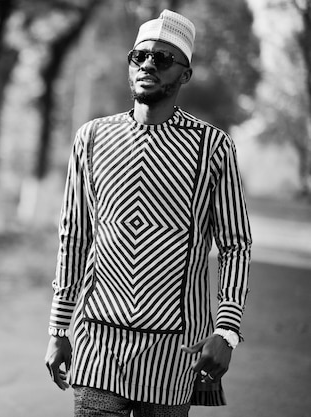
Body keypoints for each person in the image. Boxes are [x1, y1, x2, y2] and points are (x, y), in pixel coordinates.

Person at [44, 9, 252, 417]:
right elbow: (75, 236)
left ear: (185, 75)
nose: (148, 66)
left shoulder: (214, 148)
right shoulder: (92, 137)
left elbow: (235, 245)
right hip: (98, 345)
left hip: (175, 352)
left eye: (163, 59)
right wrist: (58, 326)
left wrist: (226, 331)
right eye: (140, 56)